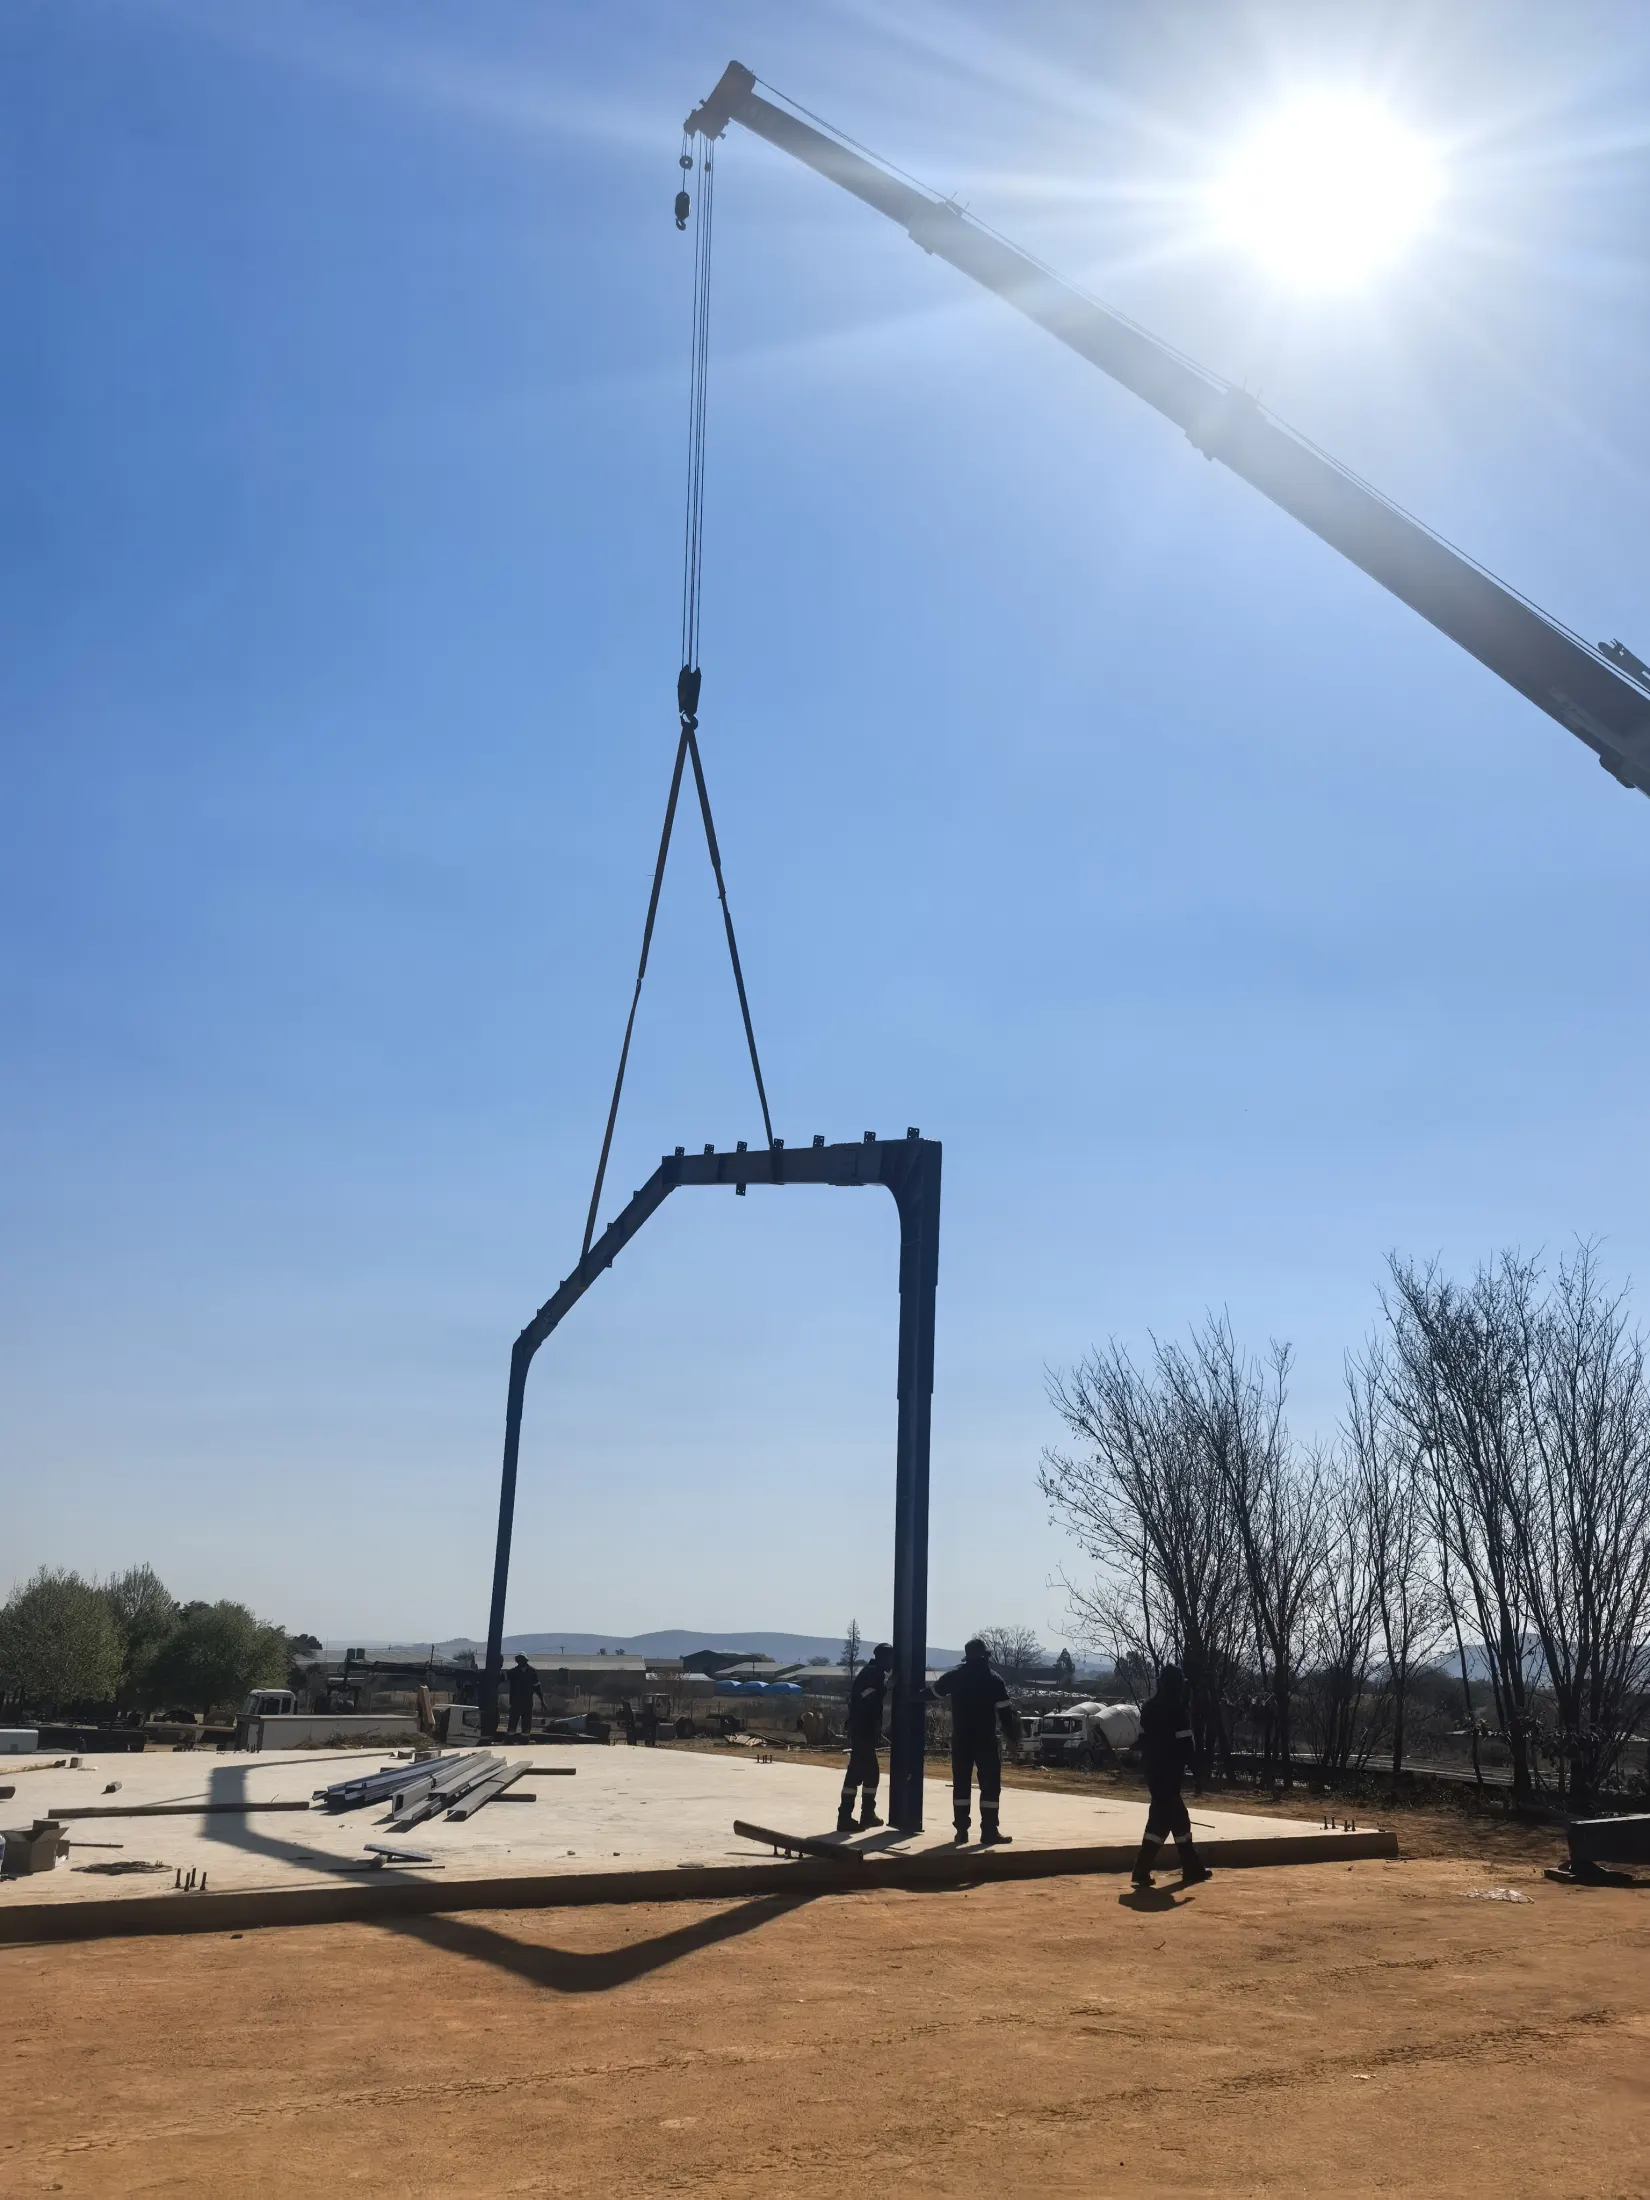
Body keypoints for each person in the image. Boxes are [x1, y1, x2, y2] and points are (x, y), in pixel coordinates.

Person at [1130, 1665, 1211, 1888]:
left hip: (1154, 1773)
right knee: (1167, 1820)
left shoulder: (1149, 1707)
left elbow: (1142, 1740)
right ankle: (1144, 1869)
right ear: (1176, 1685)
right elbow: (1186, 1746)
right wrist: (1197, 1774)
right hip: (1169, 1774)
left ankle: (1188, 1867)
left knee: (1171, 1819)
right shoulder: (1177, 1710)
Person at [935, 1638, 1017, 1846]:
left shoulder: (955, 1676)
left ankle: (961, 1831)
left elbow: (932, 1692)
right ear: (985, 1657)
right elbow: (1005, 1714)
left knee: (961, 1784)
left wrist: (908, 1695)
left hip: (961, 1740)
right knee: (990, 1786)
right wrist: (1013, 1737)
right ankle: (989, 1831)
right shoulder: (994, 1679)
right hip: (985, 1740)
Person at [837, 1642, 895, 1832]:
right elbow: (867, 1696)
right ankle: (845, 1817)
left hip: (865, 1730)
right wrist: (887, 1687)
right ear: (883, 1658)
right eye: (891, 1658)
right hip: (862, 1730)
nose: (892, 1663)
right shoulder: (872, 1673)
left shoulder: (874, 1672)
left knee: (870, 1775)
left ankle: (866, 1814)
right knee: (857, 1774)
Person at [505, 1654, 545, 1737]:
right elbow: (502, 1678)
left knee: (526, 1722)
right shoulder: (512, 1672)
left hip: (527, 1702)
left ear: (525, 1660)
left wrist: (542, 1701)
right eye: (518, 1660)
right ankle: (509, 1740)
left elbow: (537, 1687)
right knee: (512, 1722)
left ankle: (525, 1739)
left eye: (521, 1659)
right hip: (515, 1702)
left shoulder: (532, 1672)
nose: (520, 1661)